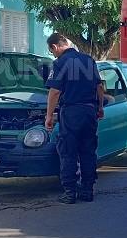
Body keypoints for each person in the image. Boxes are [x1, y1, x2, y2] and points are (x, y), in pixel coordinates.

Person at [44, 33, 105, 204]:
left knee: (68, 152)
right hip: (89, 111)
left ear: (55, 47)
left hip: (71, 113)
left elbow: (55, 91)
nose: (53, 55)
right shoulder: (89, 60)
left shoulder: (59, 63)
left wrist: (49, 116)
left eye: (52, 51)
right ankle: (87, 190)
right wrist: (100, 108)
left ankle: (70, 192)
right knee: (88, 151)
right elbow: (99, 87)